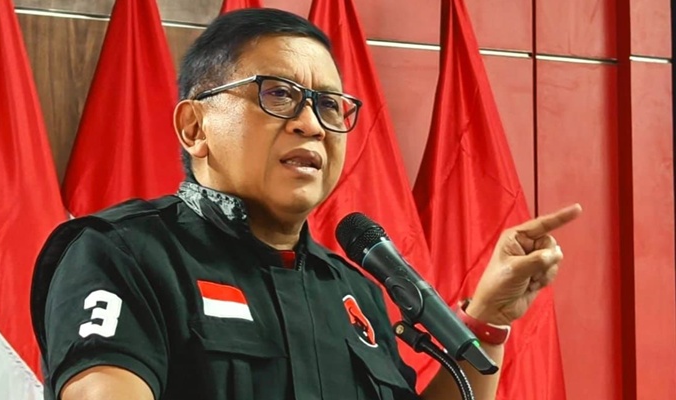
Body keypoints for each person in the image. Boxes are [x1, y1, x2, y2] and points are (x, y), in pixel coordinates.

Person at [30, 8, 582, 400]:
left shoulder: (354, 292)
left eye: (329, 105)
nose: (311, 124)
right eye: (278, 93)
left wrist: (489, 317)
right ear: (195, 127)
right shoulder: (123, 254)